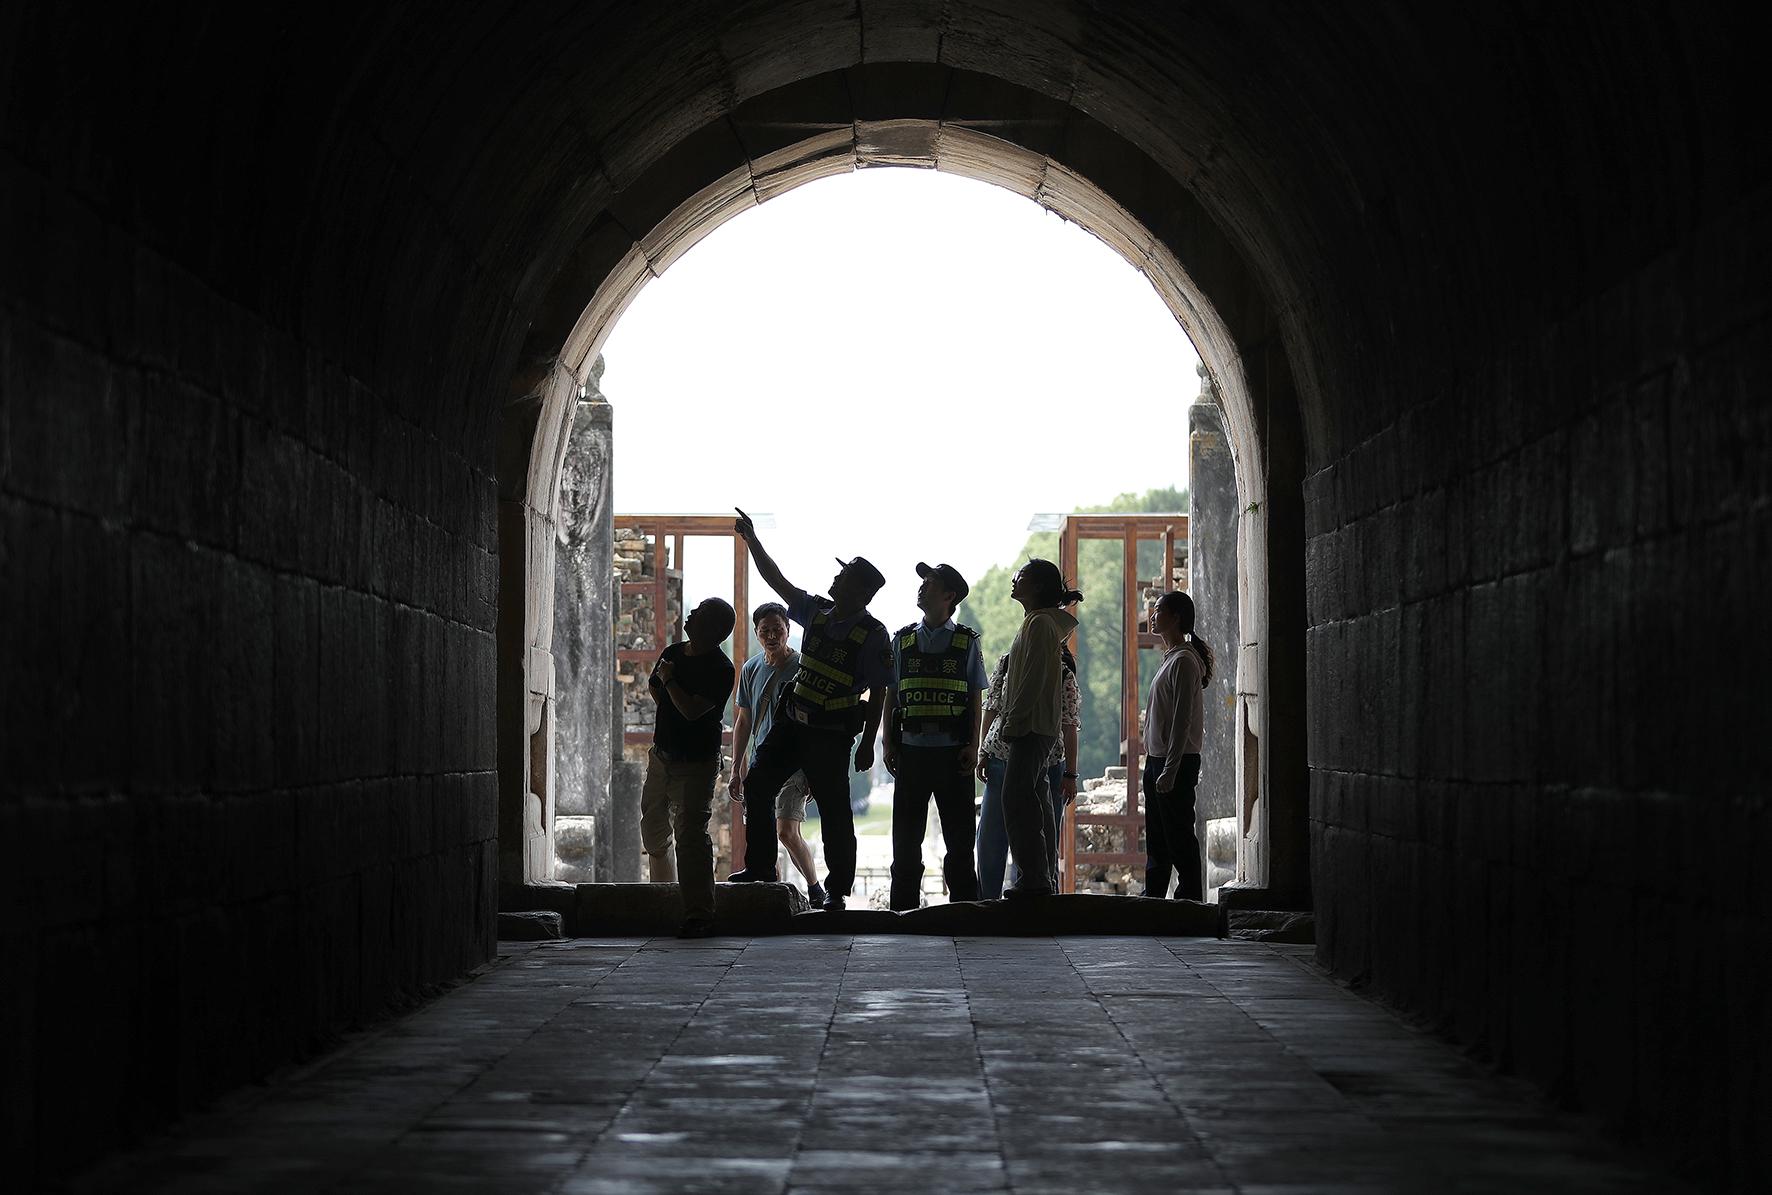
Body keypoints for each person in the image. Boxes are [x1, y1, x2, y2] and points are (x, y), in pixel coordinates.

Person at [727, 508, 892, 912]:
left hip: (831, 733)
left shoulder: (872, 634)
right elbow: (777, 580)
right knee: (757, 785)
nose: (834, 579)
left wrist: (868, 744)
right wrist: (753, 541)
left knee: (835, 811)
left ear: (860, 592)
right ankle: (761, 869)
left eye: (843, 577)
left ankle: (836, 890)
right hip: (791, 723)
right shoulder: (816, 611)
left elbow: (880, 691)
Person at [883, 563, 989, 911]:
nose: (922, 586)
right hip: (911, 752)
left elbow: (975, 696)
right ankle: (903, 913)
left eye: (930, 582)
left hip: (953, 755)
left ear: (949, 596)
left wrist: (973, 744)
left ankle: (964, 912)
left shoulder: (966, 641)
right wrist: (888, 742)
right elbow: (892, 693)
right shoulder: (902, 640)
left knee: (960, 843)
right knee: (905, 842)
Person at [639, 596, 738, 938]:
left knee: (691, 836)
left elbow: (694, 711)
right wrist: (670, 697)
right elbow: (655, 690)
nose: (691, 614)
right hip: (662, 756)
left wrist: (671, 683)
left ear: (713, 629)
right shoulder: (673, 652)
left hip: (697, 763)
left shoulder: (721, 669)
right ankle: (664, 897)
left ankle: (699, 914)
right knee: (653, 829)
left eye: (699, 613)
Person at [728, 601, 826, 906]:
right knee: (761, 825)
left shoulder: (803, 668)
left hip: (795, 762)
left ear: (788, 629)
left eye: (777, 629)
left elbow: (816, 723)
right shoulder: (750, 669)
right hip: (762, 760)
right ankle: (763, 877)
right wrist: (737, 768)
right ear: (757, 633)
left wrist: (814, 770)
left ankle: (814, 887)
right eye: (765, 630)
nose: (772, 636)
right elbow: (744, 721)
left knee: (786, 831)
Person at [995, 559, 1083, 897]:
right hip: (1034, 726)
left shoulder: (1040, 625)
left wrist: (1013, 721)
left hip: (1031, 726)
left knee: (1016, 800)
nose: (1014, 580)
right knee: (1034, 802)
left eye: (1021, 576)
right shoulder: (1038, 623)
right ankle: (1040, 878)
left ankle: (1033, 879)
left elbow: (1031, 680)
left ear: (1036, 586)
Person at [976, 641, 1080, 900]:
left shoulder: (1062, 673)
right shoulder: (1008, 663)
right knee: (991, 839)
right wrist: (983, 751)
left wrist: (1070, 773)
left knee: (1044, 840)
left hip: (1047, 763)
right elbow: (992, 707)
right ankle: (987, 902)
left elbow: (1069, 726)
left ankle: (1040, 899)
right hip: (1003, 756)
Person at [1143, 590, 1215, 901]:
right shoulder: (1172, 658)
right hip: (1158, 759)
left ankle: (1189, 901)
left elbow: (1182, 721)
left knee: (1179, 836)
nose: (1152, 615)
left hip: (1176, 761)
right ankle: (1154, 897)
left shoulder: (1184, 661)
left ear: (1175, 618)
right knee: (1158, 839)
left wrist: (1170, 770)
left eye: (1159, 610)